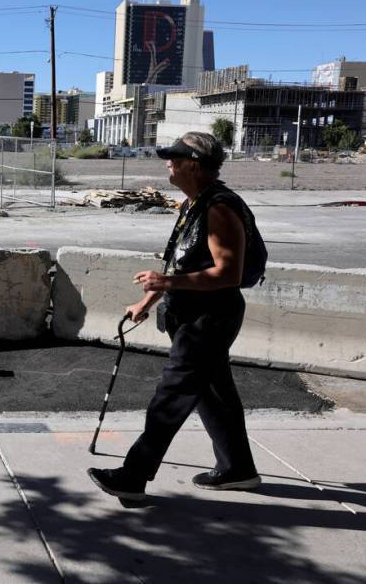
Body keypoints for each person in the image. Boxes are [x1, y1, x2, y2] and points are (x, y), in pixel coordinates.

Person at [89, 131, 263, 501]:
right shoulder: (193, 204)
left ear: (194, 165)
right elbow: (179, 262)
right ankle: (238, 469)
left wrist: (166, 281)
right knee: (215, 395)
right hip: (193, 315)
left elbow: (228, 274)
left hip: (210, 319)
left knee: (171, 397)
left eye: (175, 157)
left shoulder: (219, 208)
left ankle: (133, 477)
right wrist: (147, 302)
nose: (168, 162)